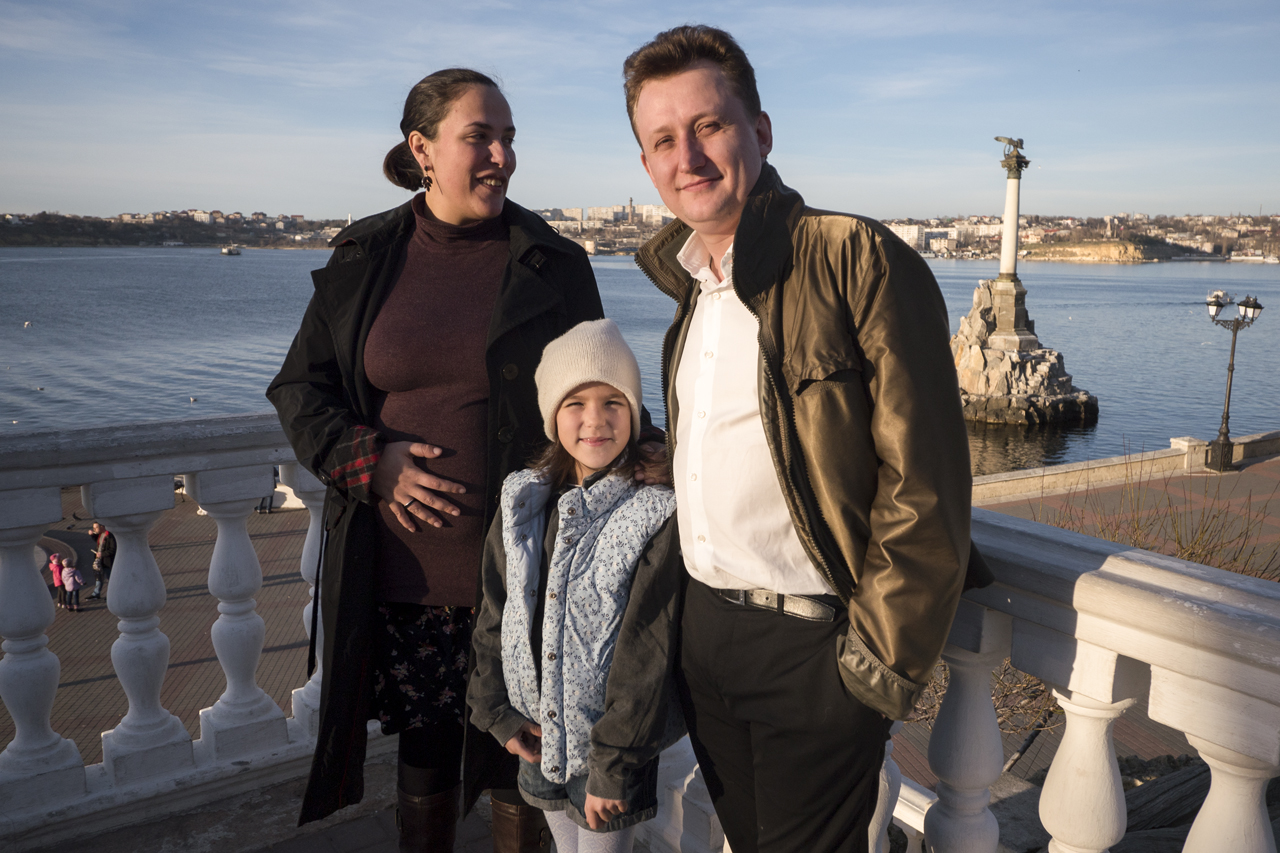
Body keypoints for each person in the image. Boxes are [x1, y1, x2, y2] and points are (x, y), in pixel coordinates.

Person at [623, 26, 993, 853]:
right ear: (647, 165)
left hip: (816, 650)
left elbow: (925, 478)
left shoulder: (853, 257)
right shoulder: (693, 294)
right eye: (663, 140)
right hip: (708, 635)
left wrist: (876, 664)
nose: (689, 155)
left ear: (760, 129)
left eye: (710, 125)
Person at [267, 68, 613, 852]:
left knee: (523, 766)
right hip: (404, 579)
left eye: (509, 137)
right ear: (422, 148)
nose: (501, 155)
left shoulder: (551, 262)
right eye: (479, 136)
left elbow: (605, 401)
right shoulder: (365, 255)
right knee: (424, 767)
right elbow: (300, 388)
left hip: (525, 578)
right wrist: (368, 461)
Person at [469, 320, 683, 853]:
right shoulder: (522, 501)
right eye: (575, 404)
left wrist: (616, 764)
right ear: (551, 416)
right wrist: (495, 710)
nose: (595, 420)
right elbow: (497, 611)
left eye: (614, 401)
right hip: (537, 733)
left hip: (611, 748)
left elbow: (648, 652)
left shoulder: (654, 512)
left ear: (635, 412)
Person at [88, 522, 116, 599]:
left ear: (102, 526)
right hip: (99, 560)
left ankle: (111, 594)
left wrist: (102, 554)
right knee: (98, 577)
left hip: (107, 561)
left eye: (96, 528)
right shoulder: (100, 534)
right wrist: (92, 535)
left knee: (109, 578)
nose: (94, 529)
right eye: (93, 528)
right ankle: (96, 594)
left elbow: (113, 550)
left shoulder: (110, 536)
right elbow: (98, 542)